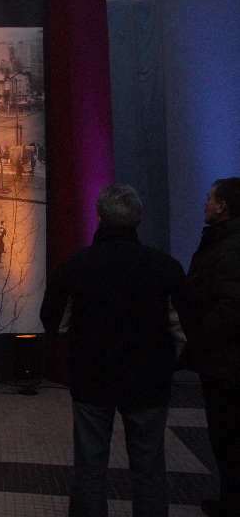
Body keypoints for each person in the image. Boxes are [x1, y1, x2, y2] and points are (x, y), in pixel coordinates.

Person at [40, 184, 186, 517]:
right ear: (138, 220)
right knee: (149, 466)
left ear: (100, 219)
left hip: (92, 377)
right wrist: (168, 362)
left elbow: (54, 322)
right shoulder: (165, 267)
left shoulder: (75, 266)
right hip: (149, 380)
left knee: (89, 466)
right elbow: (183, 327)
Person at [178, 177, 240, 517]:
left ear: (223, 206)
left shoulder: (229, 247)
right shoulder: (222, 242)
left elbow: (230, 308)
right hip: (221, 360)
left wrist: (196, 335)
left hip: (226, 362)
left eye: (210, 198)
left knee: (228, 435)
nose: (205, 203)